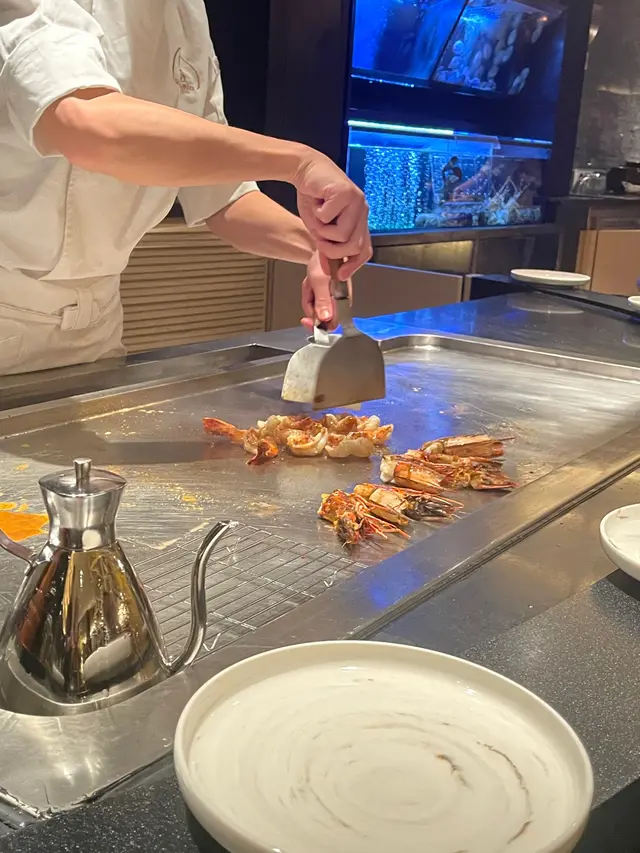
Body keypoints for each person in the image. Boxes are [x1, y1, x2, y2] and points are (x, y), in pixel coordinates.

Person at [0, 0, 372, 376]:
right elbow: (88, 126)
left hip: (100, 325)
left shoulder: (187, 12)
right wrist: (299, 163)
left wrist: (317, 248)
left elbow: (222, 197)